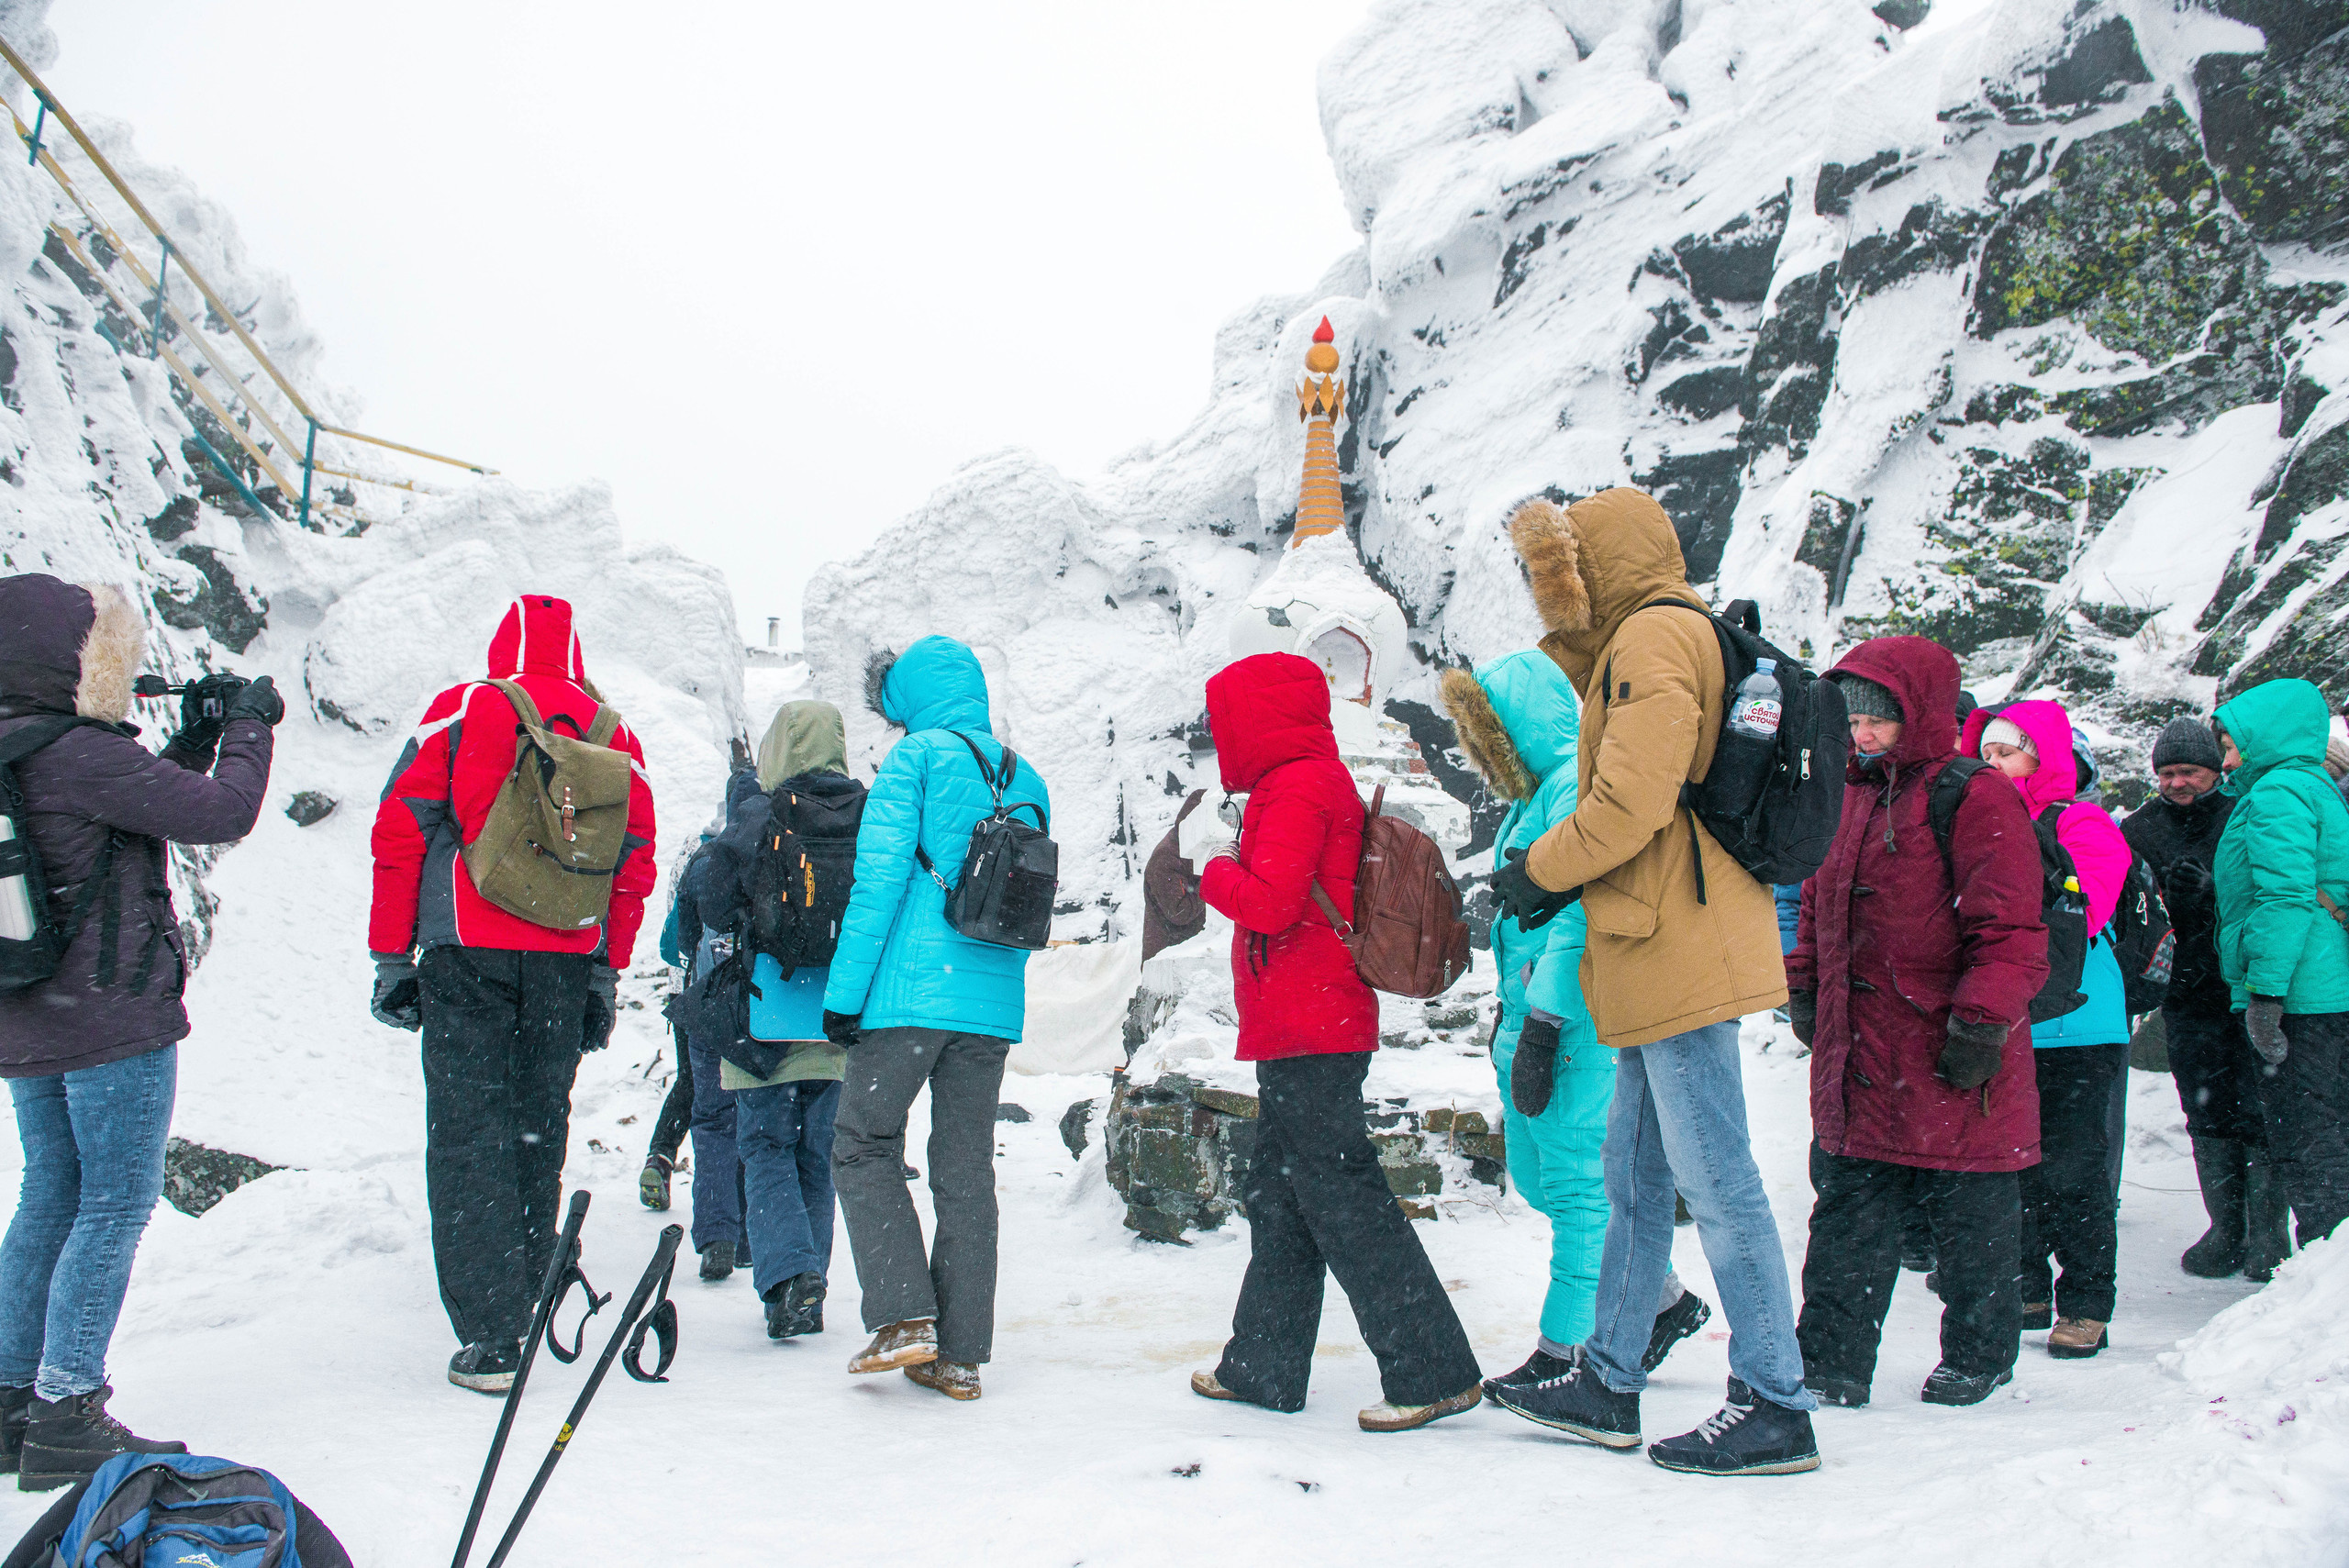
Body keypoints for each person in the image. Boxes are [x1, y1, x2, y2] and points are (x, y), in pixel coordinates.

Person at [1484, 490, 1817, 1477]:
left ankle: (1772, 1399)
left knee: (1716, 1180)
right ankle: (1609, 1376)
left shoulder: (1655, 641)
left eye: (1563, 572)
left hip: (1679, 938)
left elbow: (1629, 800)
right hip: (1652, 934)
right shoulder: (1664, 636)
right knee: (1633, 1180)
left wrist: (1535, 873)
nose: (1554, 595)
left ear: (1595, 567)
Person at [0, 578, 281, 1491]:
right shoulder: (80, 752)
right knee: (115, 1200)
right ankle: (69, 1405)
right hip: (111, 1011)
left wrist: (194, 735)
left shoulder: (25, 745)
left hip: (29, 1009)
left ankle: (13, 1399)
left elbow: (135, 800)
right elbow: (220, 813)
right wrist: (247, 726)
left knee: (51, 1188)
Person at [1184, 651, 1482, 1432]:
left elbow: (1273, 904)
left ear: (1255, 719)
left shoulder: (1295, 785)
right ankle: (1263, 1364)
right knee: (1282, 1194)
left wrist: (1210, 864)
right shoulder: (1309, 780)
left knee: (1341, 1195)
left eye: (1228, 724)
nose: (1223, 741)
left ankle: (1431, 1368)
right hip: (1309, 1021)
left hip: (1310, 1022)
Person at [367, 595, 658, 1395]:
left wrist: (393, 954)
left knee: (468, 1128)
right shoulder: (614, 735)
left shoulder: (463, 710)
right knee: (538, 1122)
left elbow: (399, 830)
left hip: (468, 949)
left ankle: (492, 1335)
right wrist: (604, 970)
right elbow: (633, 864)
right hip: (565, 959)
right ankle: (526, 1297)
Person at [1439, 653, 1710, 1398]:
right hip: (1527, 1017)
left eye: (1485, 731)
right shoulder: (1536, 795)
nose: (1481, 750)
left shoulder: (1575, 787)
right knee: (1537, 1179)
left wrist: (1549, 1018)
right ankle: (1658, 1300)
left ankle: (1567, 1352)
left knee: (1581, 1190)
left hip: (1571, 1024)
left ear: (1511, 728)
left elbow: (1579, 917)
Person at [1787, 639, 2048, 1409]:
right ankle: (1830, 1361)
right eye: (1852, 719)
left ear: (1920, 714)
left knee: (1972, 1216)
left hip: (1946, 1042)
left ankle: (1980, 1351)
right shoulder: (1844, 792)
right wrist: (1806, 984)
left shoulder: (1974, 795)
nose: (1860, 734)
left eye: (1878, 721)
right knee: (1846, 1213)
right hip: (1862, 1046)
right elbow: (1812, 904)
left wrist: (1980, 1023)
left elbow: (2010, 929)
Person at [820, 636, 1048, 1402]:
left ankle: (902, 1316)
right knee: (963, 1170)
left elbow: (877, 886)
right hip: (989, 1009)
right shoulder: (1028, 776)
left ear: (910, 699)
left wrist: (844, 998)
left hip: (908, 998)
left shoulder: (912, 762)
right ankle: (961, 1352)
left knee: (861, 1144)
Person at [1959, 700, 2133, 1360]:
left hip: (2080, 1020)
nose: (1993, 764)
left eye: (2007, 752)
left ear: (2045, 758)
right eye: (1987, 753)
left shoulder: (2082, 822)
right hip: (2013, 1018)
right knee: (2014, 1161)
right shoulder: (1978, 821)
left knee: (2076, 1166)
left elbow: (2081, 915)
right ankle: (2028, 1284)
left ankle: (2087, 1300)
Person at [2121, 717, 2289, 1280]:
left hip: (2244, 985)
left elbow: (2270, 888)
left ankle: (2268, 1234)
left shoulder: (2243, 815)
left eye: (2189, 771)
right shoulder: (2140, 828)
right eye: (2167, 773)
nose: (2177, 783)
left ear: (2214, 772)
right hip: (2186, 992)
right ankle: (2227, 1228)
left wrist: (2215, 892)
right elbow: (2131, 906)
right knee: (2206, 1108)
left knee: (2260, 1105)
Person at [727, 701, 854, 1341]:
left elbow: (708, 893)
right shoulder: (867, 812)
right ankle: (813, 1281)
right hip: (836, 1023)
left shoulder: (761, 812)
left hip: (766, 1014)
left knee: (765, 1146)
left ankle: (789, 1278)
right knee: (816, 1152)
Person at [2211, 679, 2349, 1250]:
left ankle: (2326, 1264)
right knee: (2331, 1126)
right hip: (2328, 983)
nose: (2224, 761)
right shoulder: (2318, 786)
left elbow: (2284, 896)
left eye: (2230, 745)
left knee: (2306, 1134)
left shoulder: (2277, 793)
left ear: (2266, 736)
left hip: (2299, 991)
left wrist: (2265, 993)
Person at [663, 777, 762, 1282]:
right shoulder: (773, 849)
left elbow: (680, 940)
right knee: (759, 1119)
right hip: (764, 1009)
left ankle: (717, 1235)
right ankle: (750, 1236)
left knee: (711, 1121)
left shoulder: (706, 859)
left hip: (709, 1005)